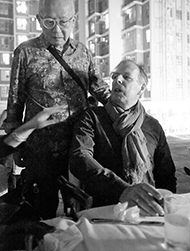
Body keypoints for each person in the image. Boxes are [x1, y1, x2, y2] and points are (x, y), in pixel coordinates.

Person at [3, 0, 110, 219]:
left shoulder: (83, 53)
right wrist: (14, 147)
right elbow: (15, 102)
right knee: (43, 211)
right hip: (40, 150)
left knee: (81, 210)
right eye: (49, 22)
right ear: (39, 20)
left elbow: (98, 88)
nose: (57, 30)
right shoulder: (25, 53)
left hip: (79, 147)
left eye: (63, 22)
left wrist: (123, 105)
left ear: (73, 20)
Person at [69, 59, 177, 216]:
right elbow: (79, 158)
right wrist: (123, 190)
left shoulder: (152, 126)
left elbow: (166, 175)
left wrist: (165, 207)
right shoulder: (92, 117)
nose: (116, 80)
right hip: (104, 212)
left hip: (147, 212)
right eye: (114, 76)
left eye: (126, 77)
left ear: (141, 89)